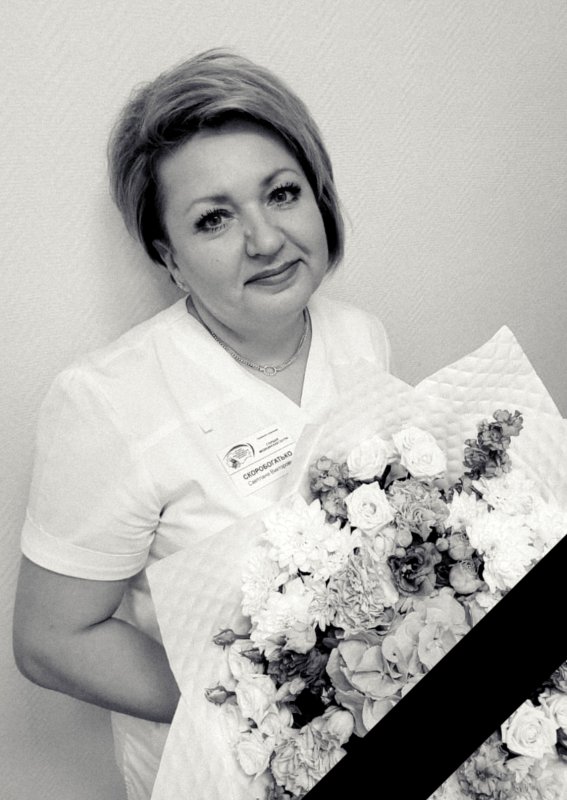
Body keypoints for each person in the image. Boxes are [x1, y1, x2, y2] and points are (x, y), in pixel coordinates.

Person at [12, 48, 391, 799]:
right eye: (214, 219)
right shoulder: (107, 402)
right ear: (171, 258)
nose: (265, 239)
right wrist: (275, 708)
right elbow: (51, 642)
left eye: (281, 193)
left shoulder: (361, 337)